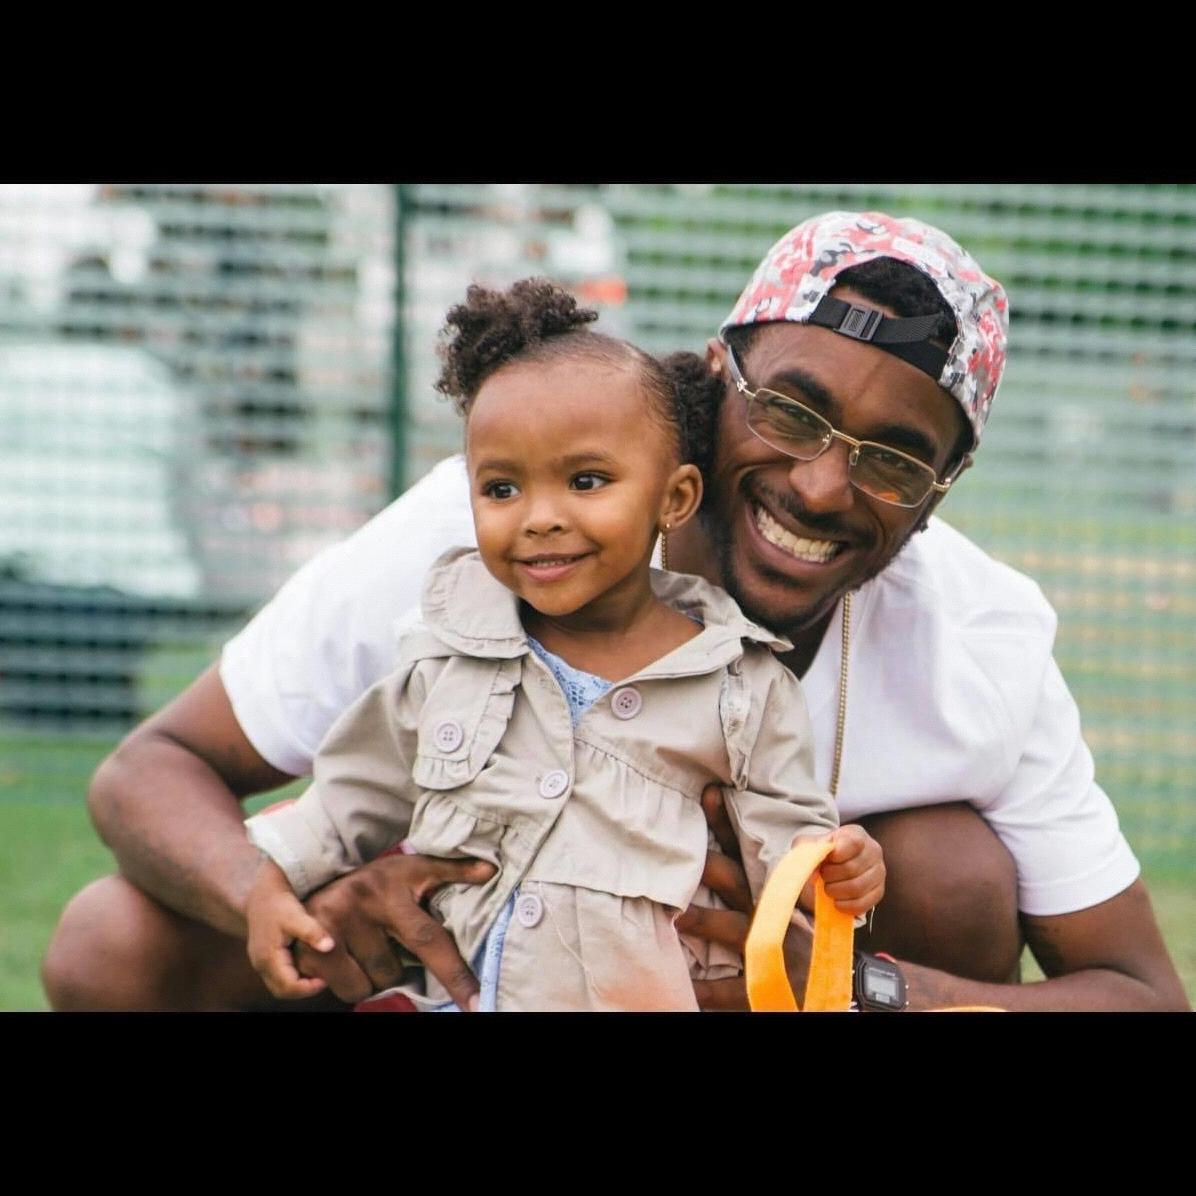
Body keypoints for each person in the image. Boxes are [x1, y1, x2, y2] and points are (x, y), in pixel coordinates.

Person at [44, 210, 1189, 1013]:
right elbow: (153, 766)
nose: (819, 486)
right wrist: (289, 895)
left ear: (940, 489)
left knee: (948, 867)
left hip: (735, 986)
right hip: (470, 954)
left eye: (893, 459)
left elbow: (1138, 991)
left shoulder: (978, 638)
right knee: (112, 942)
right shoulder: (507, 519)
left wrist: (856, 986)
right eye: (790, 412)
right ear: (714, 377)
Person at [242, 278, 882, 1011]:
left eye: (585, 480)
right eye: (502, 489)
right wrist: (270, 879)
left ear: (673, 499)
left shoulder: (739, 684)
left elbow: (789, 839)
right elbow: (351, 794)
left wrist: (834, 868)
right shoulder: (445, 655)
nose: (539, 517)